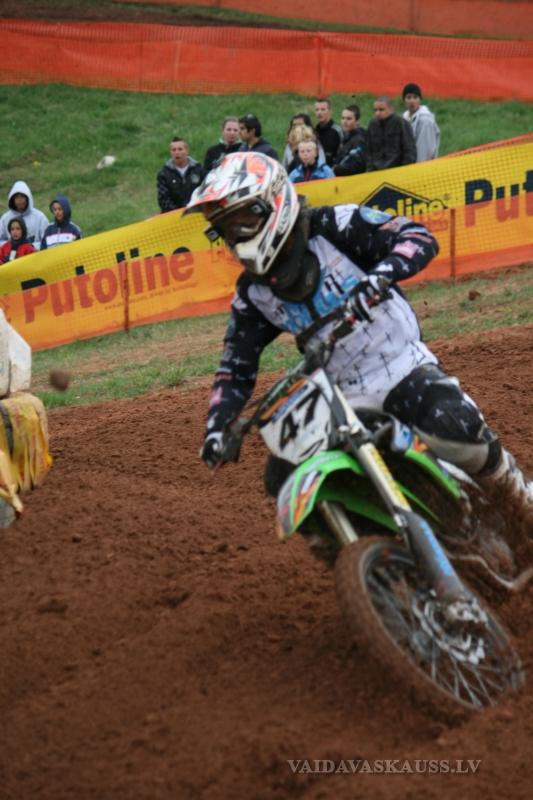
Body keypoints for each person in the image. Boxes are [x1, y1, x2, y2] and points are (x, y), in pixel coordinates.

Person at [182, 152, 533, 543]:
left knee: (450, 424)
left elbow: (417, 237)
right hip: (340, 395)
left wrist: (378, 277)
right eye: (226, 229)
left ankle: (519, 497)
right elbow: (235, 368)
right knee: (282, 475)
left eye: (242, 221)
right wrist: (217, 429)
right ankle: (370, 555)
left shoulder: (334, 226)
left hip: (399, 365)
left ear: (273, 203)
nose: (236, 237)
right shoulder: (253, 293)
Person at [366, 97, 417, 172]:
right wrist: (370, 169)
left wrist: (405, 170)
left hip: (397, 171)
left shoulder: (401, 123)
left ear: (391, 109)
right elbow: (368, 150)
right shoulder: (373, 124)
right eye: (375, 110)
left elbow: (409, 149)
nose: (377, 113)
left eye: (381, 110)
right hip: (376, 171)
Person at [157, 137, 205, 213]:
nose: (177, 152)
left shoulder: (199, 170)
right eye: (174, 150)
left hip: (196, 212)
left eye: (180, 149)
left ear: (186, 151)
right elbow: (163, 200)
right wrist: (179, 213)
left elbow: (205, 191)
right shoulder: (164, 174)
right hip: (174, 215)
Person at [0, 180, 48, 250]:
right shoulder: (5, 219)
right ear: (12, 199)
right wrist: (10, 245)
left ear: (28, 198)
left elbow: (47, 240)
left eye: (22, 197)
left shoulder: (40, 217)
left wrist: (31, 246)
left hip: (34, 254)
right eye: (17, 197)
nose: (20, 200)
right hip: (11, 254)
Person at [402, 83, 441, 162]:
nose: (412, 101)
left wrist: (418, 167)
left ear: (420, 99)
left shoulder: (425, 121)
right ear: (404, 100)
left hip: (422, 166)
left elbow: (424, 151)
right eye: (408, 97)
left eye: (415, 97)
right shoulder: (404, 118)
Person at [332, 104, 367, 177]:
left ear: (357, 121)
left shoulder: (359, 140)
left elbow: (358, 167)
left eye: (349, 119)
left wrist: (336, 169)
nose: (344, 121)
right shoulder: (347, 138)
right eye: (343, 118)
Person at [314, 97, 342, 167]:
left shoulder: (337, 130)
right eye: (317, 110)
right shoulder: (313, 131)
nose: (319, 113)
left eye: (323, 109)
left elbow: (343, 151)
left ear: (330, 111)